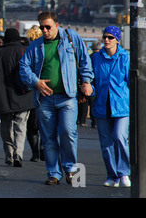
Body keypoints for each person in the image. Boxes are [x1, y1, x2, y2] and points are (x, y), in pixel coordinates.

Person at [19, 11, 94, 185]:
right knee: (48, 138)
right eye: (42, 27)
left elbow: (84, 59)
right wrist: (36, 82)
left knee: (68, 132)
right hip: (44, 99)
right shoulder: (36, 45)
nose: (45, 31)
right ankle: (53, 173)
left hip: (67, 97)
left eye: (48, 27)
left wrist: (86, 81)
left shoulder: (70, 37)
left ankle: (69, 169)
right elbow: (23, 66)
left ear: (57, 25)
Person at [0, 28, 34, 167]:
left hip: (3, 96)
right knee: (21, 126)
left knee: (5, 127)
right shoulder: (25, 51)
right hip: (23, 95)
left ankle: (9, 154)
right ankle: (19, 153)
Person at [91, 26, 130, 187]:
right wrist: (89, 89)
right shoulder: (96, 58)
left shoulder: (125, 57)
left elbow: (130, 81)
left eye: (110, 37)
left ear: (117, 40)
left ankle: (124, 173)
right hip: (101, 104)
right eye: (104, 37)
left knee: (120, 137)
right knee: (106, 143)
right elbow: (92, 81)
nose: (106, 40)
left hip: (121, 105)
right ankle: (112, 175)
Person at [25, 25, 44, 162]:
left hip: (30, 92)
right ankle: (43, 150)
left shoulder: (27, 51)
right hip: (46, 91)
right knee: (46, 124)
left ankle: (35, 152)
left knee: (31, 126)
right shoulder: (47, 50)